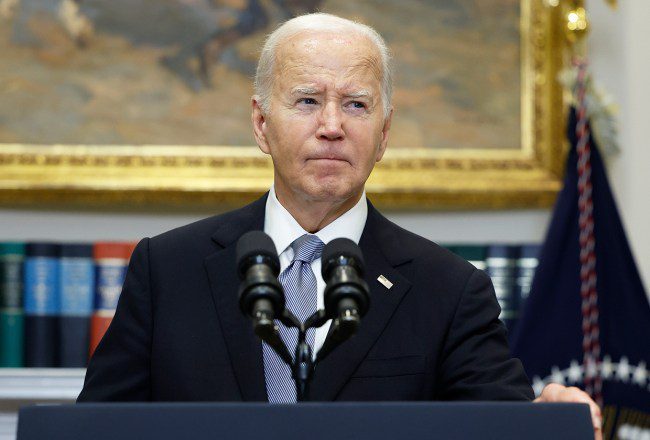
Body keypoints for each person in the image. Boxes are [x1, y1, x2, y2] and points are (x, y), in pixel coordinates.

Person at [77, 13, 602, 439]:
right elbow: (93, 432)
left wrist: (548, 421)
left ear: (384, 132)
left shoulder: (449, 289)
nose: (332, 126)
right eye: (307, 101)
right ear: (262, 124)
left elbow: (500, 429)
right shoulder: (169, 269)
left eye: (356, 104)